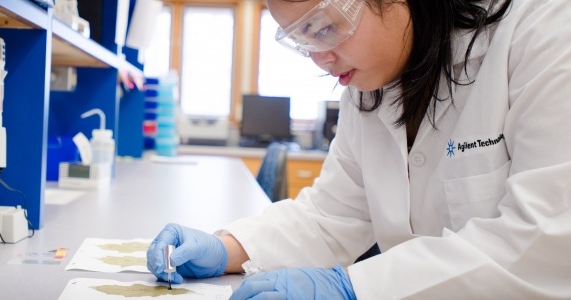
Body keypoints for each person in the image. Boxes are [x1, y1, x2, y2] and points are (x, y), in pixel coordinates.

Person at [147, 0, 571, 298]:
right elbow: (333, 215)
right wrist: (228, 249)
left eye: (325, 27)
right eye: (302, 39)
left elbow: (544, 240)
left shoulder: (543, 32)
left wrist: (356, 288)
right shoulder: (372, 85)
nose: (319, 59)